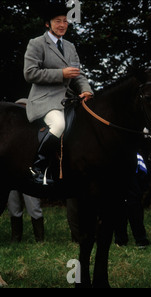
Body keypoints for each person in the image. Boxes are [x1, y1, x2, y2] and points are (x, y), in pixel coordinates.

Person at [24, 1, 93, 185]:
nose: (62, 25)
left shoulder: (70, 46)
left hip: (69, 100)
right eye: (57, 21)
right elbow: (29, 73)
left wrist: (86, 89)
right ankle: (37, 167)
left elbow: (79, 75)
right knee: (59, 124)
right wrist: (60, 74)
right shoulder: (37, 44)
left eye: (65, 21)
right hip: (44, 100)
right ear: (48, 23)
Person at [114, 153, 150, 248]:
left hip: (133, 196)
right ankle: (121, 240)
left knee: (136, 219)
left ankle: (140, 239)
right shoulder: (111, 155)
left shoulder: (137, 157)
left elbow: (143, 174)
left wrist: (139, 191)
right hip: (121, 196)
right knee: (120, 219)